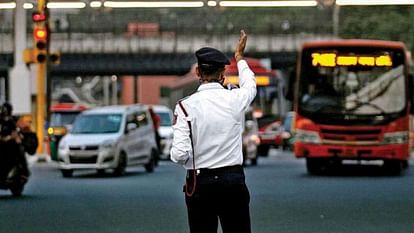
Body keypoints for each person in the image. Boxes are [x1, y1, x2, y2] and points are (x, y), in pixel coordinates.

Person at [170, 30, 256, 233]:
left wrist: (189, 160)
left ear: (198, 73)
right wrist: (240, 58)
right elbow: (250, 85)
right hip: (233, 182)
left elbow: (179, 154)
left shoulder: (185, 107)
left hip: (201, 184)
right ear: (222, 74)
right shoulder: (235, 99)